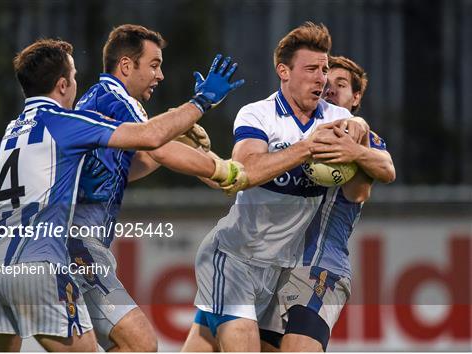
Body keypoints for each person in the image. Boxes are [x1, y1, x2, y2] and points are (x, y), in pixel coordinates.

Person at [0, 38, 244, 352]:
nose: (77, 86)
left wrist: (172, 132)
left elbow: (125, 161)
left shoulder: (12, 131)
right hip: (40, 265)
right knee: (139, 343)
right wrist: (201, 102)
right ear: (62, 86)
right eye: (74, 78)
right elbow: (151, 136)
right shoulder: (66, 123)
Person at [182, 22, 371, 352]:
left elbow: (367, 161)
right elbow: (246, 170)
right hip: (232, 257)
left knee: (201, 346)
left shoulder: (336, 117)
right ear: (283, 71)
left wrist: (359, 127)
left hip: (278, 272)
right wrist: (306, 147)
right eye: (311, 68)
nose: (321, 78)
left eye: (324, 69)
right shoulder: (258, 115)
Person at [66, 24, 248, 352]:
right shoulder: (117, 99)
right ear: (125, 66)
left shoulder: (99, 100)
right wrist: (223, 169)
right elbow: (158, 146)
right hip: (79, 245)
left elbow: (132, 167)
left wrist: (175, 136)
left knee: (115, 345)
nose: (160, 75)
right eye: (153, 64)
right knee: (142, 343)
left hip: (72, 243)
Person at [257, 55, 396, 352]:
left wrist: (355, 152)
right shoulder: (299, 131)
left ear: (356, 97)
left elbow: (386, 170)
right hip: (273, 267)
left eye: (341, 84)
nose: (329, 88)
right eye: (326, 81)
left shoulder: (362, 139)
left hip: (320, 267)